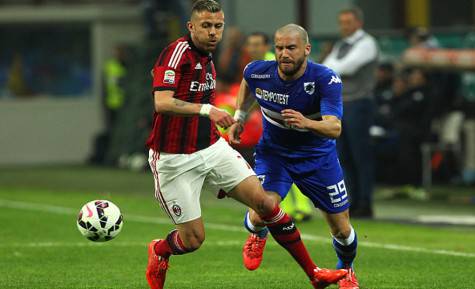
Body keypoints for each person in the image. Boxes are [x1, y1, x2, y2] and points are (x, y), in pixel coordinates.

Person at [145, 1, 347, 289]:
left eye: (218, 26)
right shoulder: (177, 54)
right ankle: (160, 250)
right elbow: (161, 103)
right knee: (192, 240)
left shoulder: (209, 58)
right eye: (206, 26)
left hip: (211, 149)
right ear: (191, 27)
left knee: (266, 203)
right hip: (173, 158)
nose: (213, 32)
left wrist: (237, 117)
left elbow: (246, 84)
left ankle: (314, 274)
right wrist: (207, 110)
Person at [229, 24, 360, 289]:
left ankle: (346, 271)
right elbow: (247, 81)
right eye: (279, 48)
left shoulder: (325, 78)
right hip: (274, 154)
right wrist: (239, 118)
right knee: (259, 213)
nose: (284, 54)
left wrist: (306, 123)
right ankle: (258, 234)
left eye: (291, 48)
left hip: (318, 158)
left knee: (342, 231)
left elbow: (335, 128)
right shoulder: (259, 71)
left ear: (306, 49)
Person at [244, 31, 313, 222]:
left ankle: (302, 206)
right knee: (281, 166)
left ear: (266, 46)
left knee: (290, 164)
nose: (254, 48)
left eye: (258, 44)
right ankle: (290, 208)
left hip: (288, 122)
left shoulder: (275, 63)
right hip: (272, 124)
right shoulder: (255, 67)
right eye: (251, 44)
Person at [322, 7, 379, 218]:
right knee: (343, 156)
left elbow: (345, 67)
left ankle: (365, 202)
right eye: (342, 22)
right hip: (341, 105)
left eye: (348, 22)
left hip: (359, 103)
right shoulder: (341, 44)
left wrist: (332, 65)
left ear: (358, 23)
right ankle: (351, 201)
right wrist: (332, 65)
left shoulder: (367, 43)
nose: (344, 26)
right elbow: (329, 67)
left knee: (361, 155)